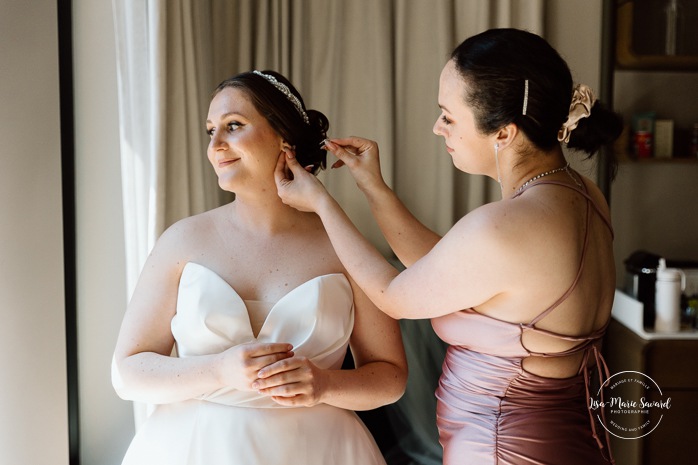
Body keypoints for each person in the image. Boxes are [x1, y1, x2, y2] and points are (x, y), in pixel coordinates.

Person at [275, 28, 622, 465]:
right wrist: (373, 187)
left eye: (448, 116)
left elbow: (394, 297)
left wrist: (322, 205)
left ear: (504, 134)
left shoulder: (504, 227)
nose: (438, 129)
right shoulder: (583, 194)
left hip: (504, 449)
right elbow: (450, 270)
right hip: (562, 439)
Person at [112, 69, 407, 465]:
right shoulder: (182, 241)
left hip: (320, 451)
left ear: (284, 137)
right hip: (192, 449)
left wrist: (323, 384)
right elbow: (128, 372)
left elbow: (390, 376)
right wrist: (217, 371)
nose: (215, 144)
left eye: (233, 126)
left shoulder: (344, 247)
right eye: (210, 130)